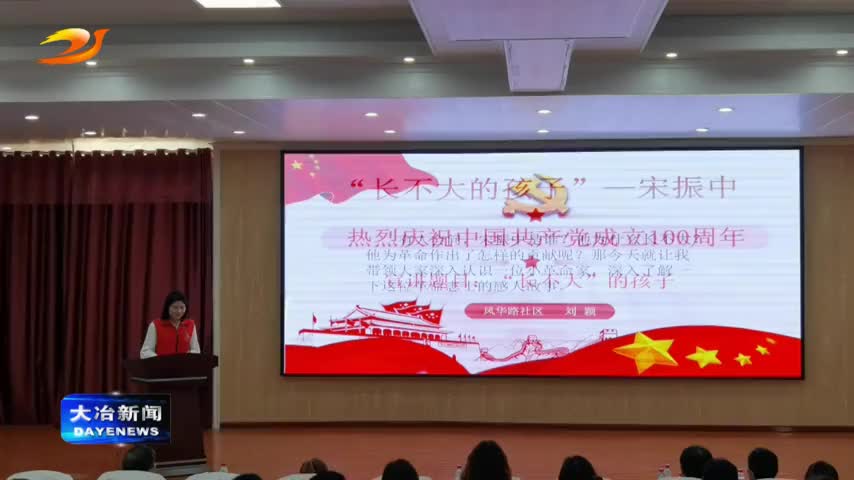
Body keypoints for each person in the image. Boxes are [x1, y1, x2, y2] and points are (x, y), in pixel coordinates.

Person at [140, 290, 201, 358]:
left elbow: (196, 350)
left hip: (184, 364)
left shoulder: (190, 324)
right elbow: (145, 352)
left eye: (182, 307)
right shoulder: (155, 325)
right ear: (167, 307)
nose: (179, 311)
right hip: (161, 364)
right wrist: (161, 360)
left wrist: (187, 357)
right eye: (175, 307)